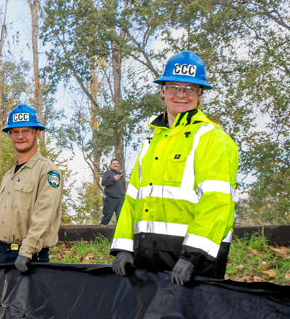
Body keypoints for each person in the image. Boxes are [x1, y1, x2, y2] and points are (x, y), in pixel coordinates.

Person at [110, 51, 238, 285]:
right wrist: (124, 247)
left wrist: (193, 256)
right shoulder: (152, 141)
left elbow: (217, 203)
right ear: (162, 91)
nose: (181, 94)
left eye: (190, 89)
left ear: (200, 95)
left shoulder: (214, 139)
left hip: (193, 262)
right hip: (147, 257)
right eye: (174, 87)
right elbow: (132, 199)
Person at [0, 104, 63, 274]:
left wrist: (27, 251)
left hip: (28, 258)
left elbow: (44, 216)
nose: (20, 136)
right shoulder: (9, 176)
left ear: (37, 134)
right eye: (15, 132)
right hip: (0, 255)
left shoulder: (48, 171)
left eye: (26, 131)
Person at [99, 158, 125, 225]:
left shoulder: (120, 175)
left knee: (121, 218)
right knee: (107, 216)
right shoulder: (107, 173)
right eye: (114, 164)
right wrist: (113, 179)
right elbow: (104, 183)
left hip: (121, 199)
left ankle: (120, 234)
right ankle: (100, 232)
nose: (116, 165)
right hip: (111, 198)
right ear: (111, 165)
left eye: (117, 164)